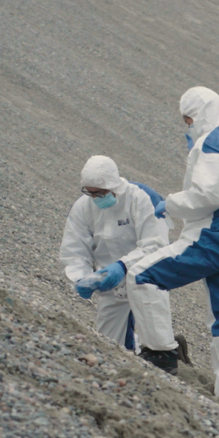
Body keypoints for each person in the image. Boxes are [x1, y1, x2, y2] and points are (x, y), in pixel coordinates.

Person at [81, 86, 219, 409]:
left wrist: (172, 204)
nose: (188, 127)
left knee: (142, 276)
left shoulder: (213, 143)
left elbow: (206, 196)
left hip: (214, 232)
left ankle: (160, 352)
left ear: (199, 114)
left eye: (189, 119)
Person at [59, 155, 184, 373]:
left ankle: (167, 354)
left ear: (114, 185)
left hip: (146, 277)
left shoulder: (141, 198)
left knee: (156, 338)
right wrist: (82, 278)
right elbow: (74, 250)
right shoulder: (83, 209)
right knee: (107, 347)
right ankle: (144, 349)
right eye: (90, 192)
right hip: (111, 284)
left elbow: (156, 244)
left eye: (101, 193)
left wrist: (123, 266)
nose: (96, 198)